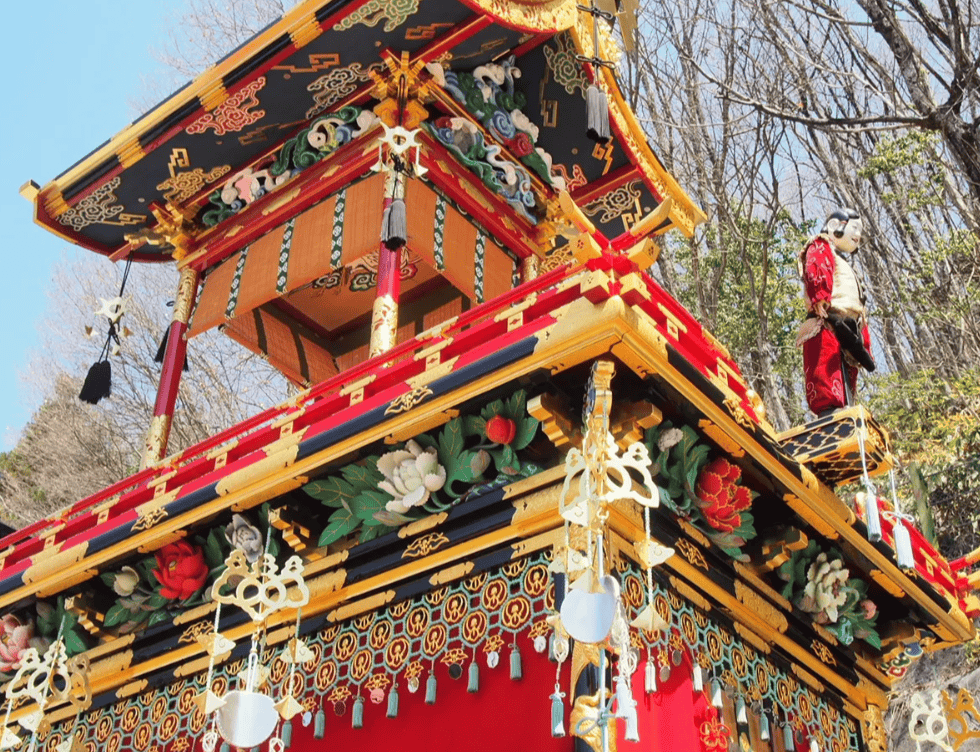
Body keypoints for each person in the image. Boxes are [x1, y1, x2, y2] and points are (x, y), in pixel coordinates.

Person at [797, 209, 875, 416]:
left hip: (850, 325)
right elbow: (817, 267)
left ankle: (845, 408)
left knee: (847, 372)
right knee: (825, 367)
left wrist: (864, 338)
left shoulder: (844, 263)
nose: (858, 235)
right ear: (834, 226)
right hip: (826, 320)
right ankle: (829, 410)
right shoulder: (820, 245)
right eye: (855, 228)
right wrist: (820, 295)